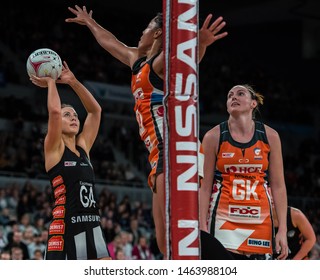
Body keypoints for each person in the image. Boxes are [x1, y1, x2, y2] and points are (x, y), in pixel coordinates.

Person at [66, 4, 228, 258]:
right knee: (165, 243)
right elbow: (111, 43)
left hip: (175, 149)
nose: (139, 35)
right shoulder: (136, 60)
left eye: (144, 30)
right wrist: (90, 23)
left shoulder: (160, 64)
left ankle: (231, 264)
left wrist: (201, 44)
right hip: (158, 156)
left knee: (184, 233)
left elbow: (185, 58)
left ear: (155, 33)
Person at [29, 61, 111, 260]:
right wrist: (51, 83)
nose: (74, 118)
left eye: (75, 115)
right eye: (68, 115)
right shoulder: (54, 148)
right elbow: (55, 112)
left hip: (93, 224)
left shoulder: (83, 146)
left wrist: (73, 82)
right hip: (66, 226)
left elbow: (95, 111)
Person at [199, 84, 289, 260]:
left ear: (253, 104)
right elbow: (204, 187)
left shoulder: (270, 136)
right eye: (230, 95)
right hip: (223, 219)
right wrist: (202, 226)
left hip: (259, 219)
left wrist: (283, 230)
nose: (233, 97)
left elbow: (278, 186)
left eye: (240, 94)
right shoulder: (213, 136)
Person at [269, 188, 316, 260]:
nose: (272, 198)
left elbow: (311, 239)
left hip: (296, 256)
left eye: (273, 194)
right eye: (269, 194)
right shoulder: (259, 216)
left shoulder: (295, 214)